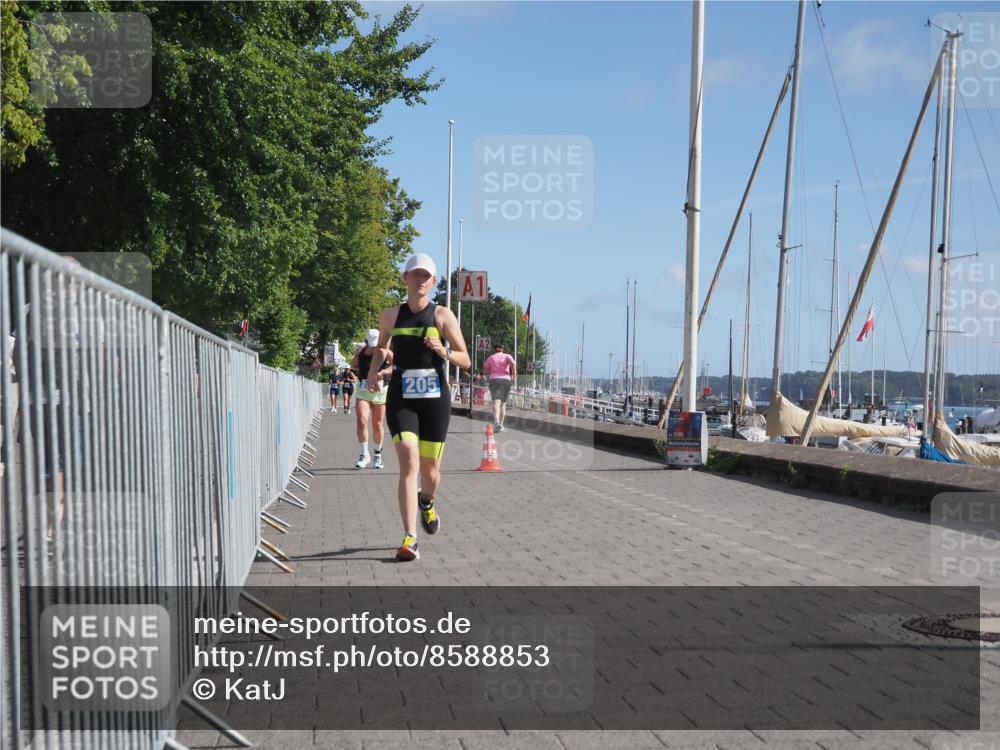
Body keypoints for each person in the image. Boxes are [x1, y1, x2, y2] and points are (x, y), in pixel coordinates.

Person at [366, 253, 470, 562]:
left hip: (435, 401)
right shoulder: (390, 316)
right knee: (409, 462)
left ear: (433, 282)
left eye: (426, 276)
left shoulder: (442, 316)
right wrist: (375, 367)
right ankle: (410, 538)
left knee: (431, 473)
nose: (420, 280)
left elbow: (466, 359)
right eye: (415, 274)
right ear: (405, 279)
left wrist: (445, 351)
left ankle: (427, 501)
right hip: (402, 398)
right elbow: (383, 345)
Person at [352, 329, 394, 469]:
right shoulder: (361, 351)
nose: (375, 346)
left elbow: (396, 365)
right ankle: (364, 454)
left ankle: (377, 455)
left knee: (377, 424)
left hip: (380, 391)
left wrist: (384, 373)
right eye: (372, 344)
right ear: (367, 341)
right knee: (362, 420)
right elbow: (353, 365)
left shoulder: (386, 351)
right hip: (363, 389)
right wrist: (356, 361)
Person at [482, 343, 516, 432]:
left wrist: (487, 374)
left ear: (495, 349)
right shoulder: (508, 356)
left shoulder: (490, 358)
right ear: (502, 349)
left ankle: (496, 422)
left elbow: (485, 369)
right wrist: (514, 374)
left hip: (495, 380)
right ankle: (501, 424)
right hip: (506, 380)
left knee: (496, 402)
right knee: (503, 403)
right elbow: (513, 363)